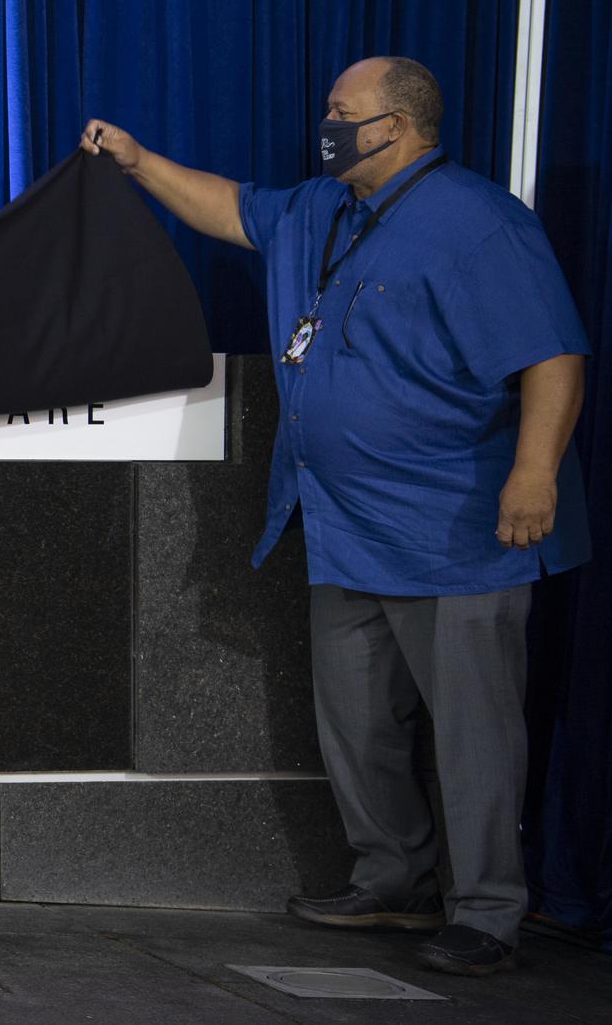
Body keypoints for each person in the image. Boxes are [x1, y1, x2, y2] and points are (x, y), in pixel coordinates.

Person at [82, 56, 589, 978]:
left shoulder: (479, 223)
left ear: (395, 126)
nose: (326, 125)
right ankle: (392, 878)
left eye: (341, 112)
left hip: (455, 530)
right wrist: (139, 162)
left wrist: (534, 474)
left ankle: (486, 911)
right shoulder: (323, 209)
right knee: (357, 724)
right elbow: (230, 208)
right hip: (344, 524)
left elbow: (551, 356)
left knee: (473, 733)